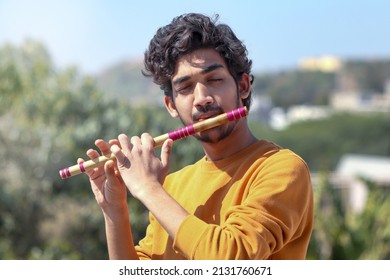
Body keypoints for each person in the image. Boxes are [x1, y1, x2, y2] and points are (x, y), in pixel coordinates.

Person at [79, 13, 314, 260]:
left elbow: (229, 260)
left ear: (243, 87)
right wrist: (114, 210)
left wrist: (147, 188)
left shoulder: (283, 169)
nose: (202, 98)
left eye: (214, 80)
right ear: (171, 105)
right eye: (185, 88)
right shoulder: (172, 186)